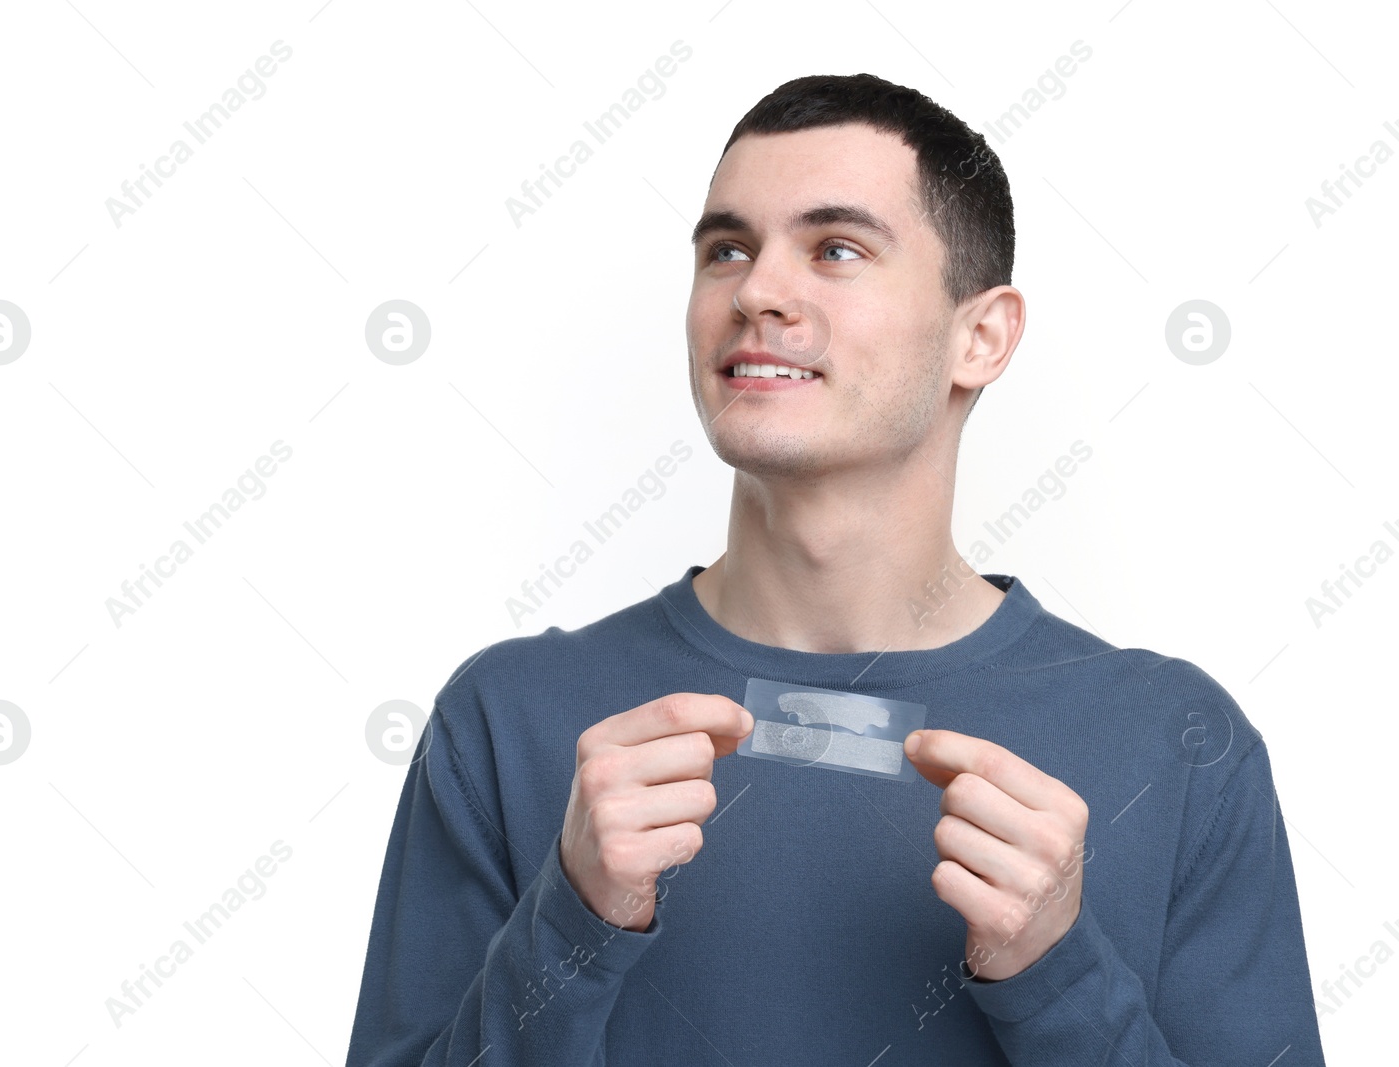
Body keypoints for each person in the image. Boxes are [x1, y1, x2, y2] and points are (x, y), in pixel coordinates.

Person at [344, 72, 1326, 1065]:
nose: (758, 291)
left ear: (979, 336)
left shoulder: (1178, 744)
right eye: (726, 249)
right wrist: (571, 920)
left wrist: (1054, 971)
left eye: (835, 250)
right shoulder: (506, 722)